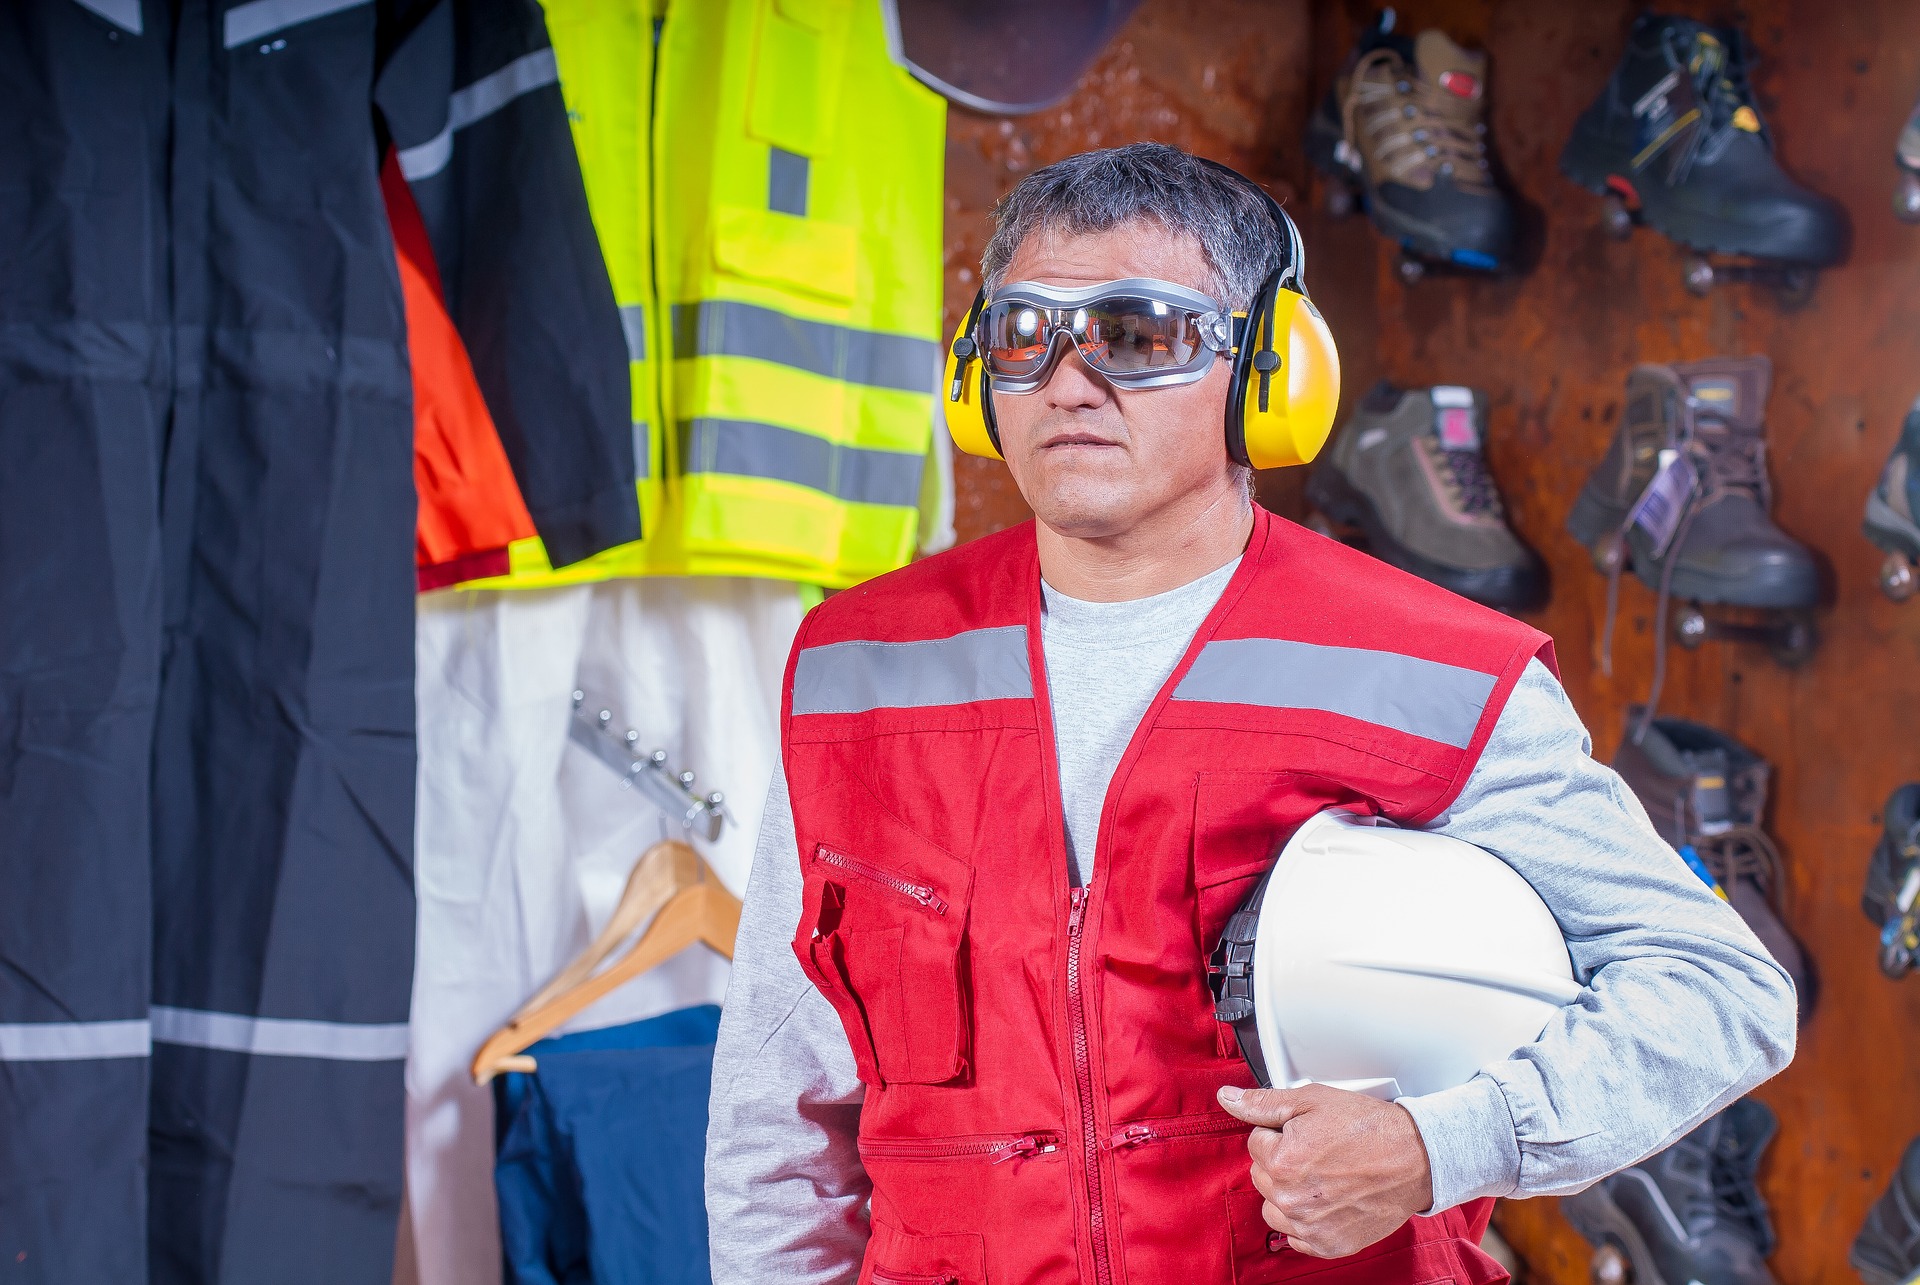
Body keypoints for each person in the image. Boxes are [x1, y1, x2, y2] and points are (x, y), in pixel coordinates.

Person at [704, 142, 1795, 1285]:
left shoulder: (1427, 669)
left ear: (1267, 371)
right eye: (1025, 333)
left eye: (1137, 333)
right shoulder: (862, 669)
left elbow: (1723, 987)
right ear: (977, 375)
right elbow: (779, 1121)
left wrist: (1441, 1146)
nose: (1070, 381)